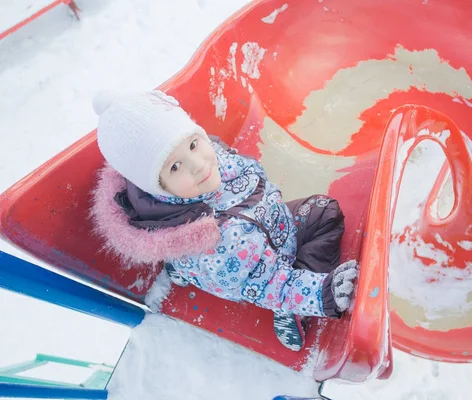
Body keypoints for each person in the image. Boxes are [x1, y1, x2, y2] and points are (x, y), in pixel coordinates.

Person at [89, 90, 358, 351]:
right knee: (289, 268)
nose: (197, 164)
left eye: (193, 144)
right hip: (258, 269)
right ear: (156, 186)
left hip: (265, 224)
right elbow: (265, 284)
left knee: (324, 211)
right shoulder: (217, 243)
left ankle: (180, 270)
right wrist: (321, 294)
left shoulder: (204, 167)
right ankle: (291, 308)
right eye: (174, 166)